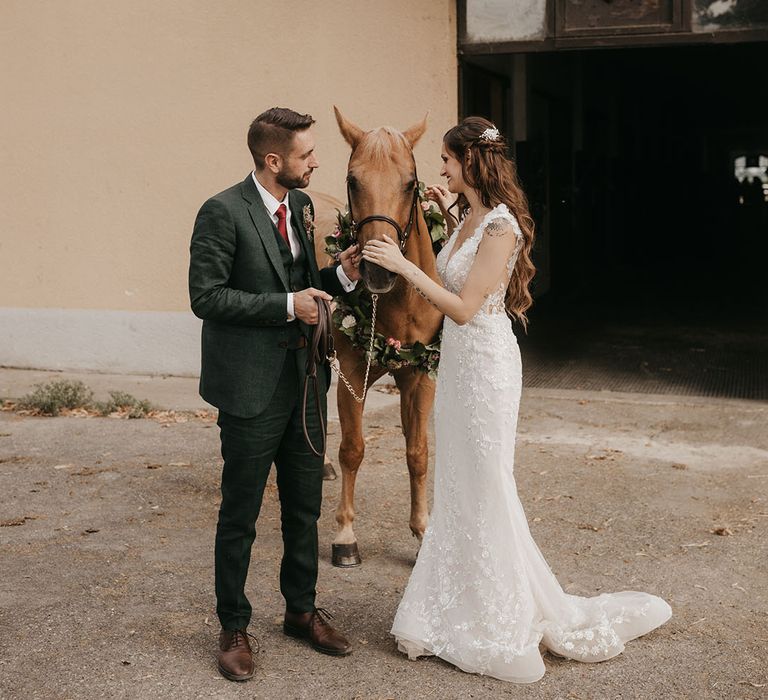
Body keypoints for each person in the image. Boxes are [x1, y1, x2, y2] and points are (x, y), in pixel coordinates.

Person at [362, 117, 671, 683]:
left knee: (487, 483)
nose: (441, 169)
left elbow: (463, 306)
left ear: (471, 162)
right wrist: (444, 212)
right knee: (460, 483)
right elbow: (454, 264)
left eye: (448, 161)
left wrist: (403, 267)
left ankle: (503, 613)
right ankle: (458, 604)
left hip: (487, 369)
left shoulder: (501, 225)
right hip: (459, 367)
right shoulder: (471, 217)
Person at [189, 107, 361, 682]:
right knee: (240, 512)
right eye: (307, 154)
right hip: (249, 387)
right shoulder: (221, 211)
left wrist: (345, 275)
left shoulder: (303, 206)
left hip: (307, 383)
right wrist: (288, 307)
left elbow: (304, 283)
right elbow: (207, 297)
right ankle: (234, 625)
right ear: (273, 160)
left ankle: (301, 611)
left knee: (305, 507)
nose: (315, 162)